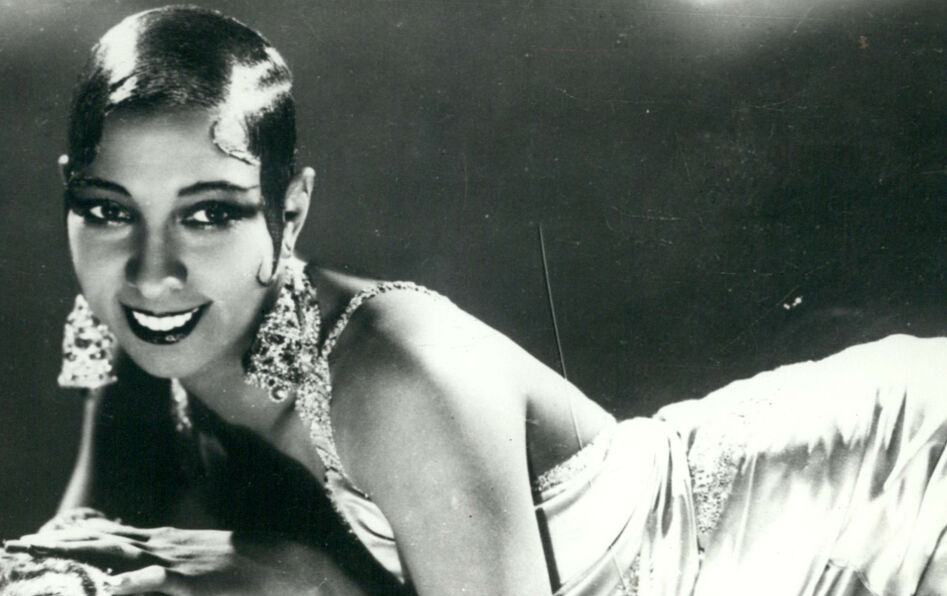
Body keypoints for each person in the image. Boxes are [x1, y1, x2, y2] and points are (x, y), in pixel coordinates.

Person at [2, 6, 946, 595]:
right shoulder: (145, 335)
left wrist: (315, 590)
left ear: (290, 212)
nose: (152, 273)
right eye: (108, 210)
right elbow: (72, 558)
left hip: (882, 496)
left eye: (210, 214)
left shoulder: (396, 376)